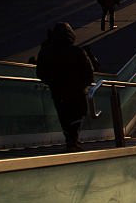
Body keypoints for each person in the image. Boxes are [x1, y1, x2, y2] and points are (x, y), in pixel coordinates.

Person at [36, 23, 95, 152]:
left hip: (58, 91)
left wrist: (50, 81)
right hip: (77, 91)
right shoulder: (77, 51)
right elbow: (89, 71)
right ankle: (73, 139)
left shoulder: (47, 52)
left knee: (64, 116)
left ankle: (70, 139)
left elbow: (40, 72)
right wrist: (85, 84)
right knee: (78, 114)